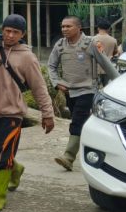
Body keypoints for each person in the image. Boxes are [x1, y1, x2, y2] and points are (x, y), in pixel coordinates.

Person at [0, 14, 55, 212]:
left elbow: (39, 87)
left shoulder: (27, 57)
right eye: (7, 30)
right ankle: (16, 169)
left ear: (22, 34)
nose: (10, 35)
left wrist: (47, 114)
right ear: (2, 30)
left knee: (4, 154)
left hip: (12, 114)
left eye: (15, 32)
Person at [48, 16, 118, 171]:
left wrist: (120, 82)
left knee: (77, 121)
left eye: (68, 26)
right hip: (69, 91)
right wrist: (56, 82)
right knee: (83, 123)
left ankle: (68, 156)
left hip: (87, 90)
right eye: (63, 26)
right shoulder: (60, 45)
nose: (64, 29)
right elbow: (51, 66)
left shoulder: (91, 44)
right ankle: (102, 149)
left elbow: (106, 64)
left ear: (79, 28)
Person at [93, 19, 118, 86]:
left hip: (96, 69)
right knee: (107, 88)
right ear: (109, 28)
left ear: (98, 28)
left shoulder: (92, 39)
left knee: (95, 88)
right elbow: (115, 53)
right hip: (108, 68)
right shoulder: (113, 40)